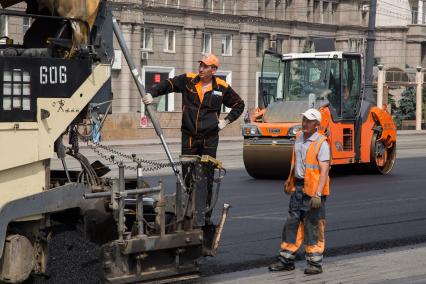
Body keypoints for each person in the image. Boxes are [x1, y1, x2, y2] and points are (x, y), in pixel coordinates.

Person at [142, 54, 245, 222]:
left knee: (207, 177)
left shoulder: (221, 86)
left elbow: (239, 104)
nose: (201, 68)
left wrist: (226, 121)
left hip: (209, 139)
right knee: (188, 177)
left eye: (205, 66)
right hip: (189, 137)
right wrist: (152, 94)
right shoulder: (188, 80)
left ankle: (205, 214)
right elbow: (168, 84)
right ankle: (189, 213)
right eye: (201, 65)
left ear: (214, 69)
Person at [268, 108, 330, 275]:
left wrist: (318, 194)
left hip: (313, 191)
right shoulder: (299, 138)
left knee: (313, 225)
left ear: (317, 125)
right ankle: (286, 260)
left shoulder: (321, 143)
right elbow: (296, 163)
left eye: (309, 121)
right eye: (303, 120)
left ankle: (315, 264)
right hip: (298, 188)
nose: (304, 123)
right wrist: (290, 181)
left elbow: (324, 170)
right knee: (292, 223)